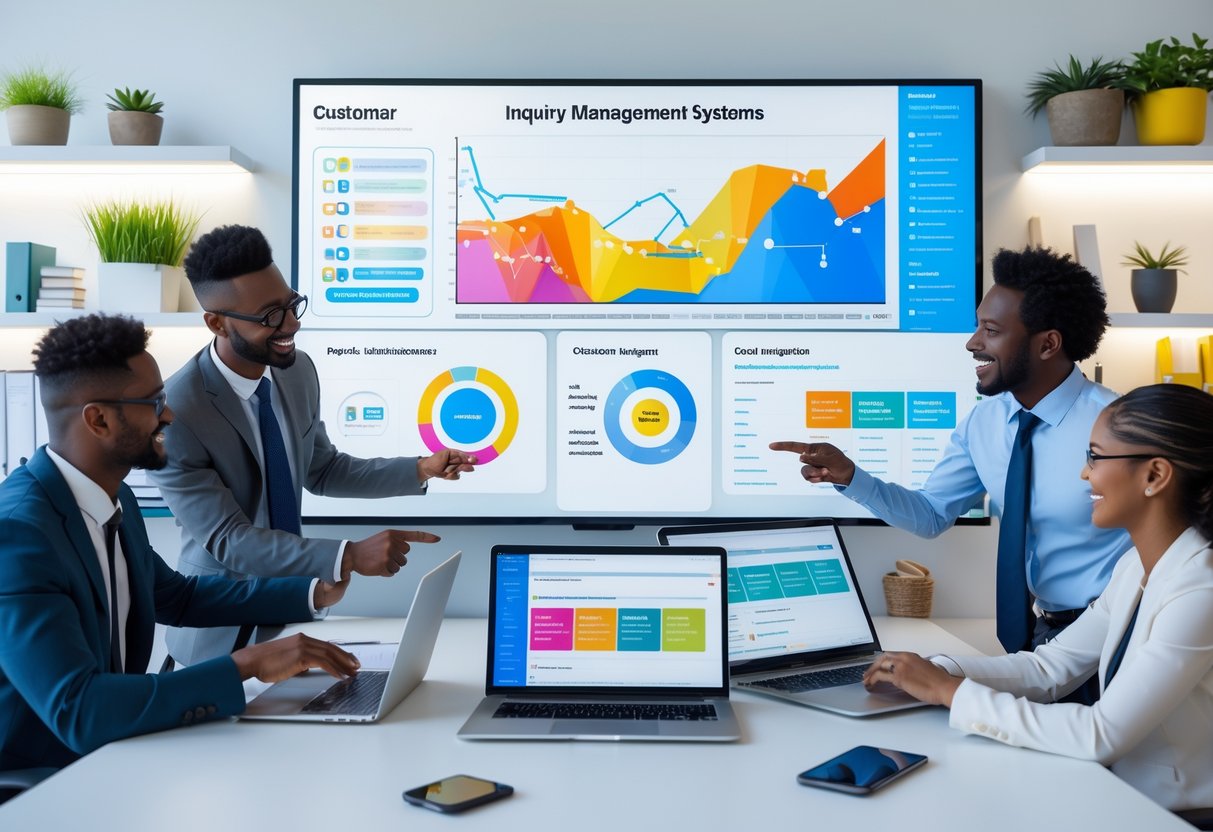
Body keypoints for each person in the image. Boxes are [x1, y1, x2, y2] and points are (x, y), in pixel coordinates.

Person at [0, 314, 361, 774]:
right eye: (154, 402)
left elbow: (177, 597)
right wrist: (247, 664)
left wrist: (310, 592)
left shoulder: (114, 497)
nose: (168, 415)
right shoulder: (19, 534)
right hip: (41, 782)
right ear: (99, 419)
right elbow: (79, 708)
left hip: (116, 751)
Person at [862, 384, 1213, 812]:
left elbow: (1099, 734)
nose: (1085, 474)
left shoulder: (1201, 589)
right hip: (1124, 795)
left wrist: (948, 692)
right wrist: (932, 671)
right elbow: (1050, 666)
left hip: (1174, 815)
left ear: (1155, 476)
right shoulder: (1137, 567)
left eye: (1096, 457)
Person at [771, 246, 1131, 653]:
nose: (972, 343)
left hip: (1117, 634)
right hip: (1044, 635)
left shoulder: (1121, 426)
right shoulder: (984, 423)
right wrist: (853, 479)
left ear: (1048, 344)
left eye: (991, 331)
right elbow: (930, 515)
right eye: (977, 327)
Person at [148, 225, 476, 666]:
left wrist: (420, 468)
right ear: (216, 322)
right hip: (217, 641)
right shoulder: (177, 413)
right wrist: (348, 556)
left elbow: (321, 469)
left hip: (295, 616)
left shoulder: (295, 370)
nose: (292, 324)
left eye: (291, 304)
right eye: (270, 316)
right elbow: (229, 540)